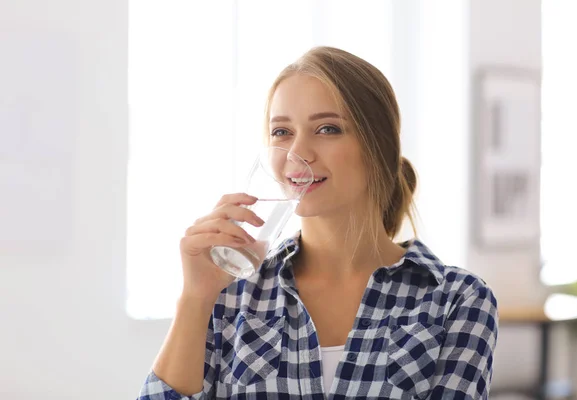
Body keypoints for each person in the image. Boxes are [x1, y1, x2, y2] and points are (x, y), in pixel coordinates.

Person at [137, 46, 498, 400]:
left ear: (379, 146)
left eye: (327, 129)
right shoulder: (232, 292)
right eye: (282, 132)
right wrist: (195, 298)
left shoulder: (457, 300)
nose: (297, 154)